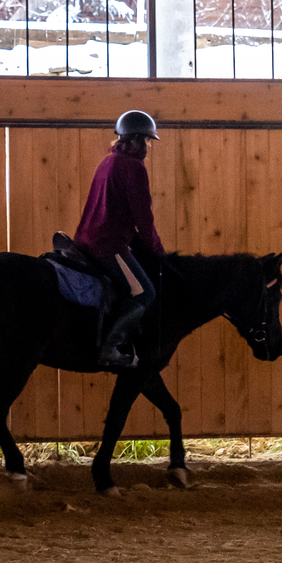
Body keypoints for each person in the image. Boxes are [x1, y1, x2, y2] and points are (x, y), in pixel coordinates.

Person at [73, 110, 164, 369]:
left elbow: (118, 212)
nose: (147, 147)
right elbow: (143, 217)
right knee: (145, 292)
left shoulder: (108, 162)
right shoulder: (133, 167)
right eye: (146, 141)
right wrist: (156, 248)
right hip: (106, 244)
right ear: (134, 140)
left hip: (86, 240)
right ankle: (111, 348)